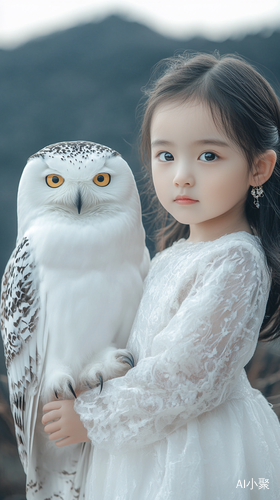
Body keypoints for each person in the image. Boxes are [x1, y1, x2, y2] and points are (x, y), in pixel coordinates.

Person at [42, 52, 280, 499]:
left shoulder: (236, 260)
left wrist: (90, 416)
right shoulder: (172, 255)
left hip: (201, 449)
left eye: (209, 155)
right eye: (166, 155)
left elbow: (188, 376)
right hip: (145, 443)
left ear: (258, 168)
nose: (182, 176)